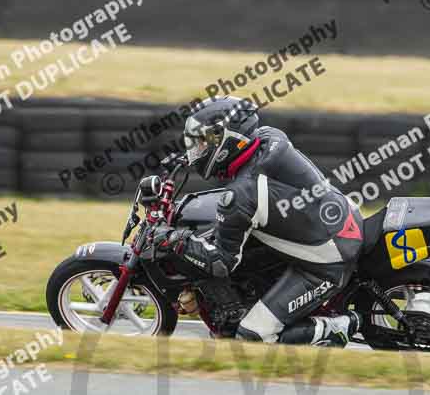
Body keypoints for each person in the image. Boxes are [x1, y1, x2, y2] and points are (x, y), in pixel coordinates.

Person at [157, 95, 366, 346]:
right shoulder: (269, 138)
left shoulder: (242, 194)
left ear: (228, 141)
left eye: (204, 142)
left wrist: (176, 241)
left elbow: (222, 262)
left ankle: (339, 327)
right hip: (342, 217)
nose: (199, 149)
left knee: (252, 336)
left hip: (328, 261)